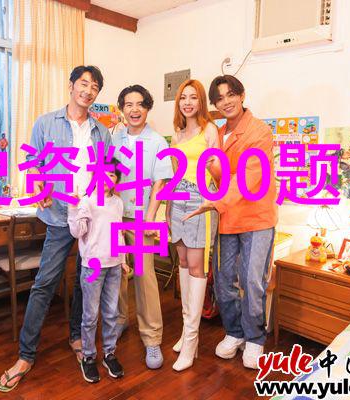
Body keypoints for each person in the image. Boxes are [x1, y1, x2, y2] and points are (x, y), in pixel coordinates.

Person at [0, 65, 112, 392]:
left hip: (92, 219)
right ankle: (25, 355)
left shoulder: (102, 132)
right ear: (71, 85)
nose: (88, 91)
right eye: (84, 84)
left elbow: (108, 171)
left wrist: (109, 183)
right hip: (59, 218)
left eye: (94, 87)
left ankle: (76, 337)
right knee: (45, 283)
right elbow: (33, 165)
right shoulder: (46, 123)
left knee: (84, 282)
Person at [184, 75, 277, 369]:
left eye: (231, 95)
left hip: (257, 218)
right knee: (224, 280)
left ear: (242, 95)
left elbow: (249, 176)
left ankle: (255, 338)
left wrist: (215, 201)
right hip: (227, 218)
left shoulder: (260, 131)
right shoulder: (219, 133)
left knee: (252, 280)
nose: (226, 102)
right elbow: (220, 176)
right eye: (219, 98)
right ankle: (235, 332)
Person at [112, 84, 174, 369]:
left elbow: (160, 184)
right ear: (122, 109)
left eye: (140, 104)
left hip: (141, 219)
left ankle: (152, 337)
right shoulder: (115, 138)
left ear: (147, 108)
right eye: (128, 104)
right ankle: (120, 320)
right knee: (116, 273)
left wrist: (150, 219)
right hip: (115, 216)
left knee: (143, 274)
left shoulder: (157, 142)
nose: (134, 109)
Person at [166, 79, 219, 371]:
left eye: (193, 97)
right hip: (179, 199)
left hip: (201, 199)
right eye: (183, 98)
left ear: (201, 102)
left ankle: (191, 341)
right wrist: (168, 207)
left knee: (197, 268)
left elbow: (219, 171)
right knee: (183, 263)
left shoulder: (209, 130)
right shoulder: (177, 133)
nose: (187, 102)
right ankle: (187, 331)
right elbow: (176, 174)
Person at [68, 159, 129, 383]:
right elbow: (77, 232)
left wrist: (123, 259)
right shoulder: (87, 201)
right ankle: (88, 356)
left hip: (114, 265)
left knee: (111, 313)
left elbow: (119, 233)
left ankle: (109, 353)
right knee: (90, 315)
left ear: (116, 180)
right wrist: (73, 208)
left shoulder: (118, 203)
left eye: (112, 175)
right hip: (92, 266)